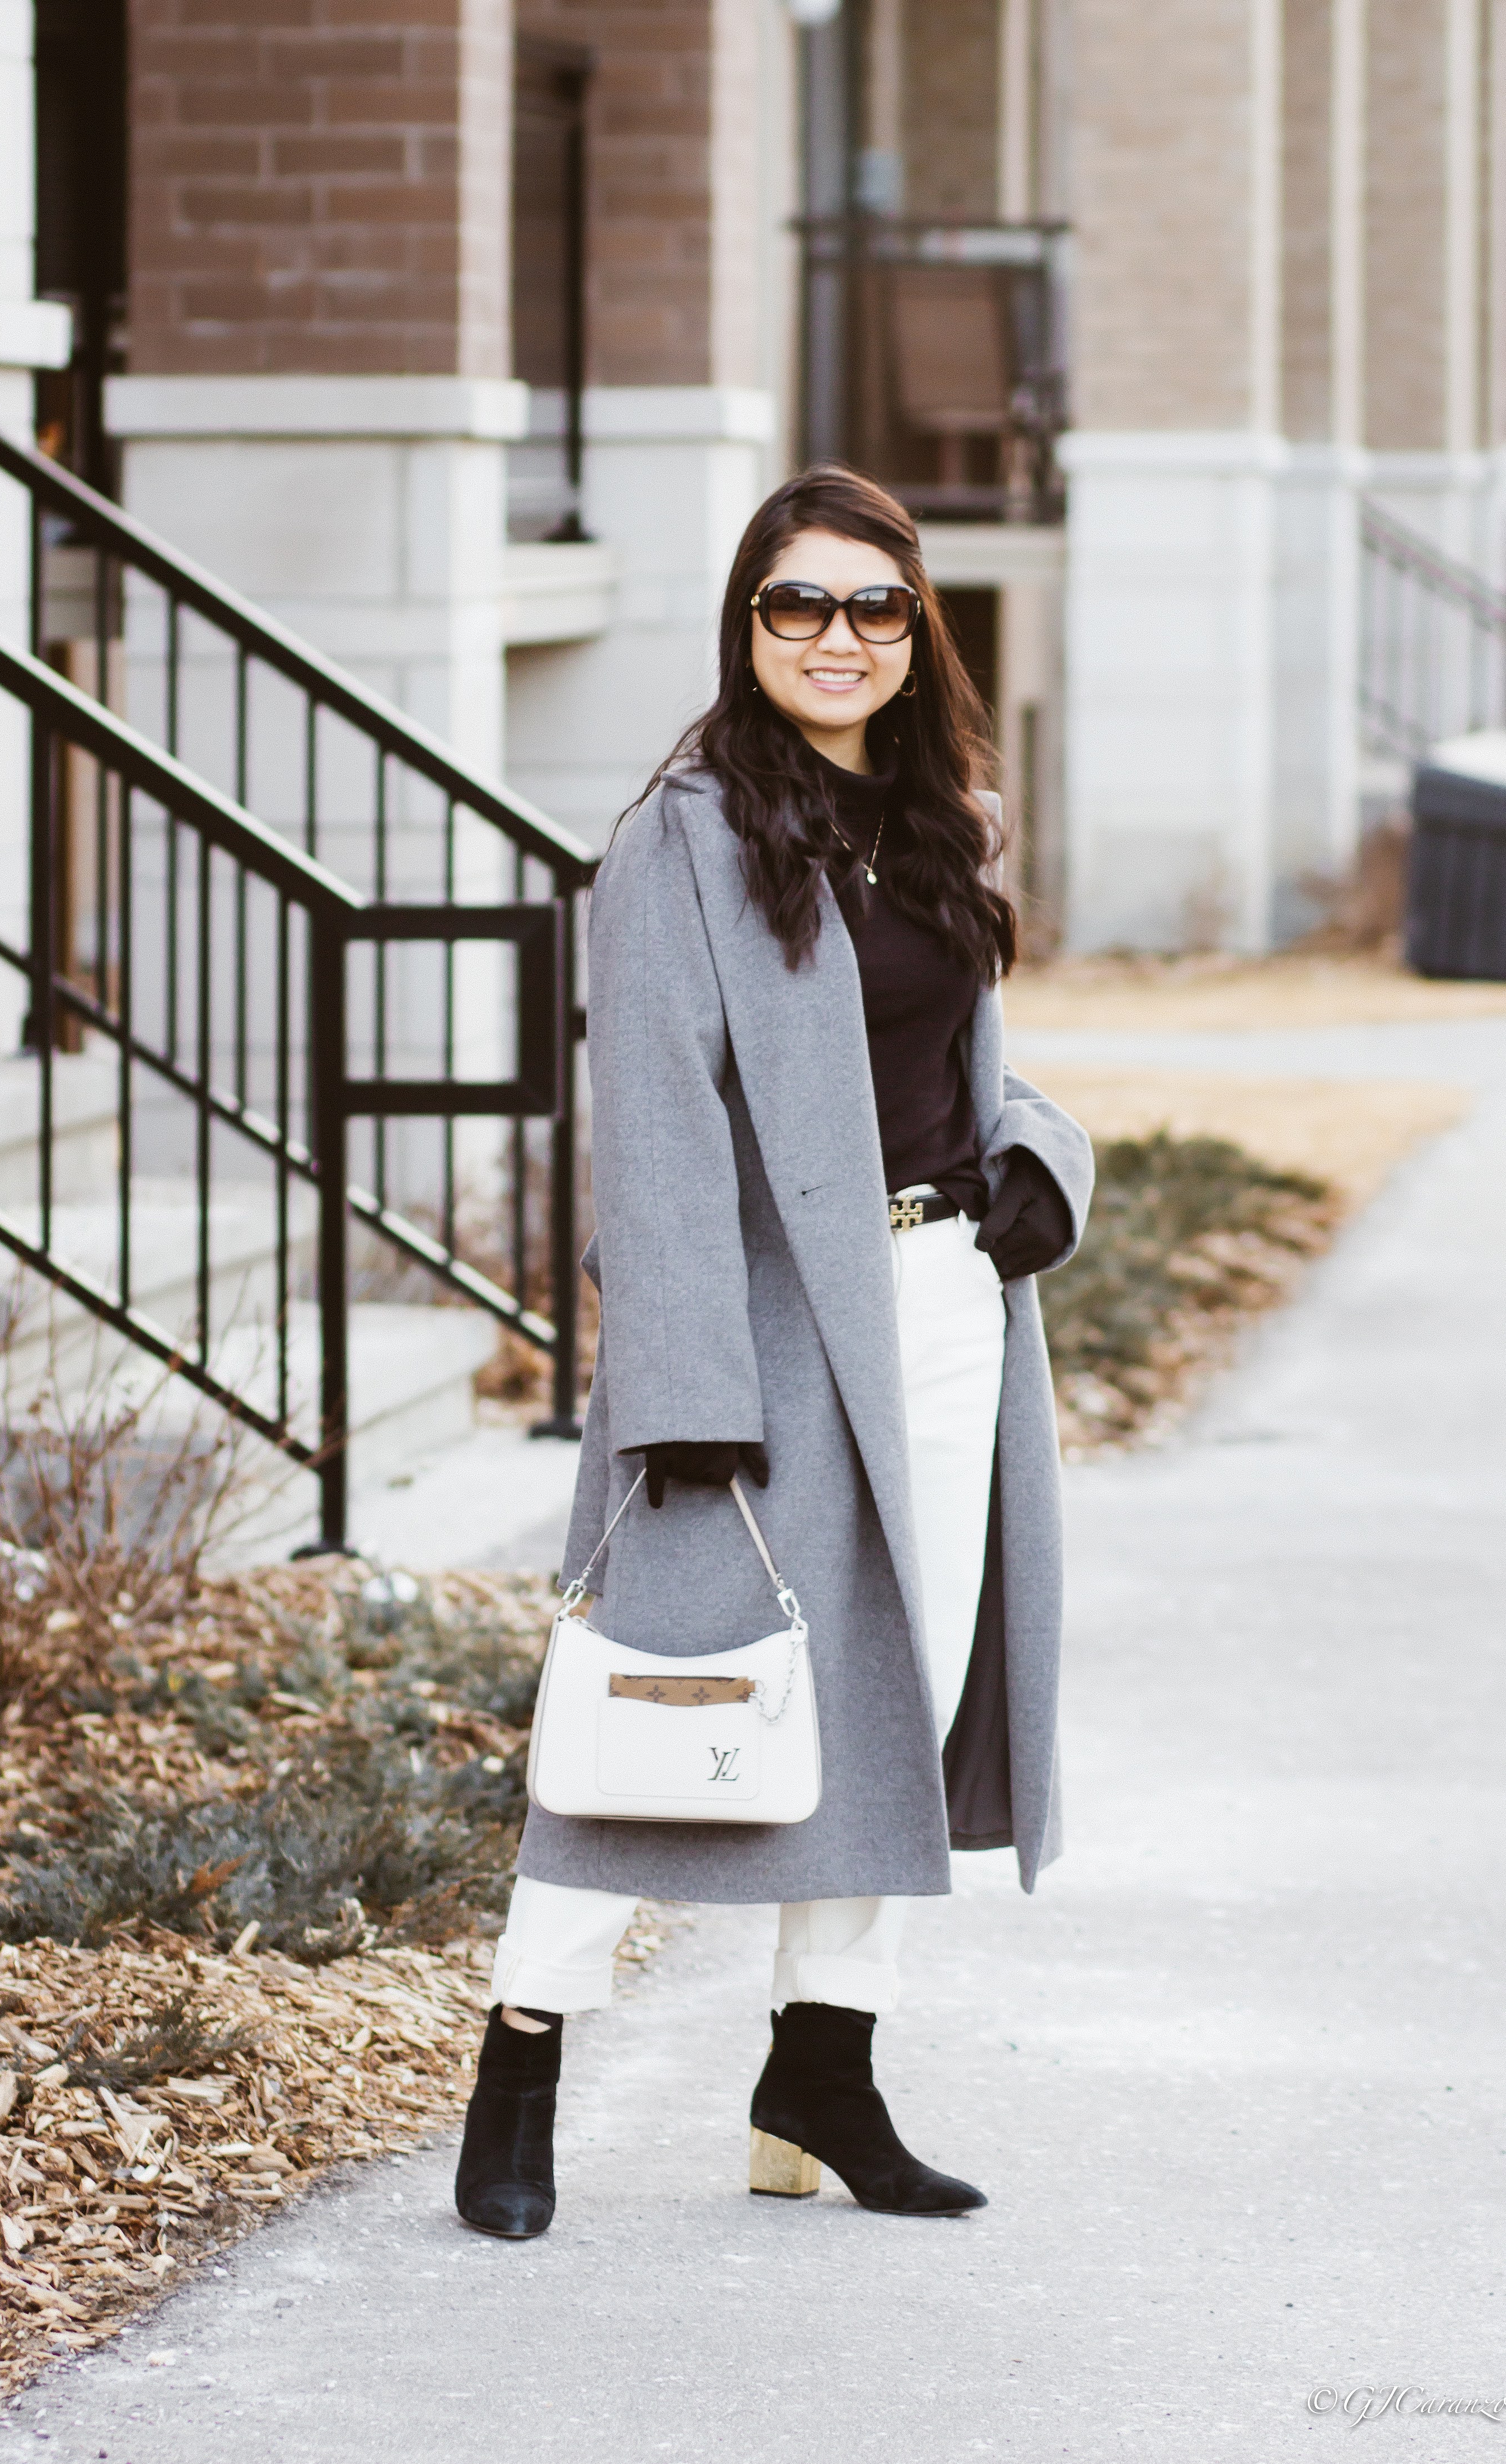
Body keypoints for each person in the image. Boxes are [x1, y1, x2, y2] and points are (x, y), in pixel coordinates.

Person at [454, 462, 1094, 2240]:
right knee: (647, 1705)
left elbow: (969, 1063)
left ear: (917, 633)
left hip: (946, 1307)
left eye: (874, 606)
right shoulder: (680, 838)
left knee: (894, 1695)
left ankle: (822, 2070)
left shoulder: (941, 815)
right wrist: (679, 1391)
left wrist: (1041, 1161)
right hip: (751, 1333)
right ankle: (521, 2063)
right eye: (797, 603)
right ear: (749, 627)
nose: (838, 636)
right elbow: (652, 1128)